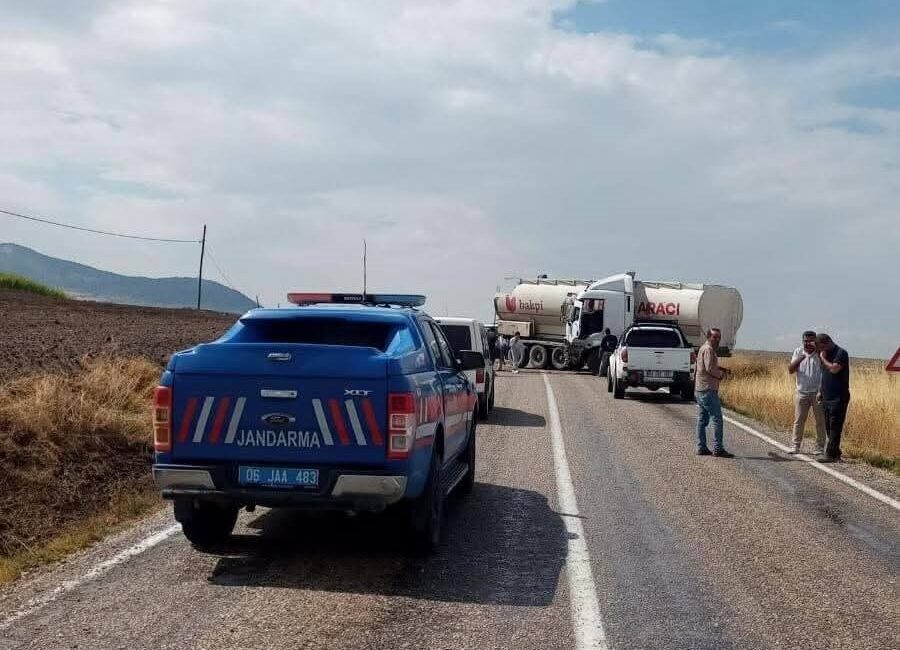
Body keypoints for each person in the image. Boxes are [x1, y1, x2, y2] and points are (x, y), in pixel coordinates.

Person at [694, 328, 732, 457]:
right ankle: (718, 448)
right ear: (709, 336)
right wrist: (721, 375)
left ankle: (701, 447)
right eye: (714, 337)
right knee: (717, 419)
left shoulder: (703, 349)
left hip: (700, 388)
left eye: (718, 337)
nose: (717, 340)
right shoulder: (708, 350)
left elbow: (700, 367)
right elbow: (709, 368)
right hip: (708, 389)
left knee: (702, 420)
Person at [787, 331, 826, 455]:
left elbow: (826, 368)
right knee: (799, 420)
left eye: (811, 341)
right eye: (806, 341)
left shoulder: (820, 353)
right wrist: (801, 357)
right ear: (802, 341)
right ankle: (795, 446)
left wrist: (818, 351)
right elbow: (791, 370)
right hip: (802, 392)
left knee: (820, 421)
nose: (808, 343)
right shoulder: (798, 352)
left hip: (817, 393)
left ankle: (819, 447)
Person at [816, 333, 850, 463]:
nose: (821, 350)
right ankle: (836, 453)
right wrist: (820, 391)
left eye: (822, 347)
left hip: (838, 397)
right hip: (826, 396)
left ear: (828, 342)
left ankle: (830, 455)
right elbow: (823, 375)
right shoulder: (825, 354)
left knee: (835, 426)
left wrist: (823, 358)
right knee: (829, 427)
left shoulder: (841, 353)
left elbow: (834, 369)